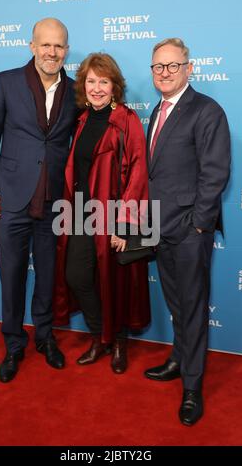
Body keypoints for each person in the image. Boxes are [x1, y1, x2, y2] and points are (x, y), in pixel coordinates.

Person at [0, 18, 77, 383]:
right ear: (32, 46)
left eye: (59, 46)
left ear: (66, 50)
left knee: (49, 276)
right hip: (11, 198)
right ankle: (14, 343)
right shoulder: (4, 82)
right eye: (46, 45)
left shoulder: (75, 89)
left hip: (54, 202)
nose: (52, 52)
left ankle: (45, 337)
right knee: (12, 275)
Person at [144, 38, 231, 425]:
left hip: (189, 231)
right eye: (158, 67)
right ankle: (179, 359)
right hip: (159, 228)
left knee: (193, 308)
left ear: (189, 68)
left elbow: (214, 175)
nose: (165, 73)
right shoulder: (155, 111)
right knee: (178, 304)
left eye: (172, 66)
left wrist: (198, 224)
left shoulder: (207, 111)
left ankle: (193, 387)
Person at [53, 53, 151, 374]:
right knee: (77, 276)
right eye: (91, 81)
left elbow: (137, 172)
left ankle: (119, 340)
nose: (96, 88)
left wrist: (124, 224)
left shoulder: (126, 119)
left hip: (113, 215)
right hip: (81, 212)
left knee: (116, 279)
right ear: (84, 84)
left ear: (114, 86)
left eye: (103, 81)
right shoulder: (81, 120)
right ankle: (100, 336)